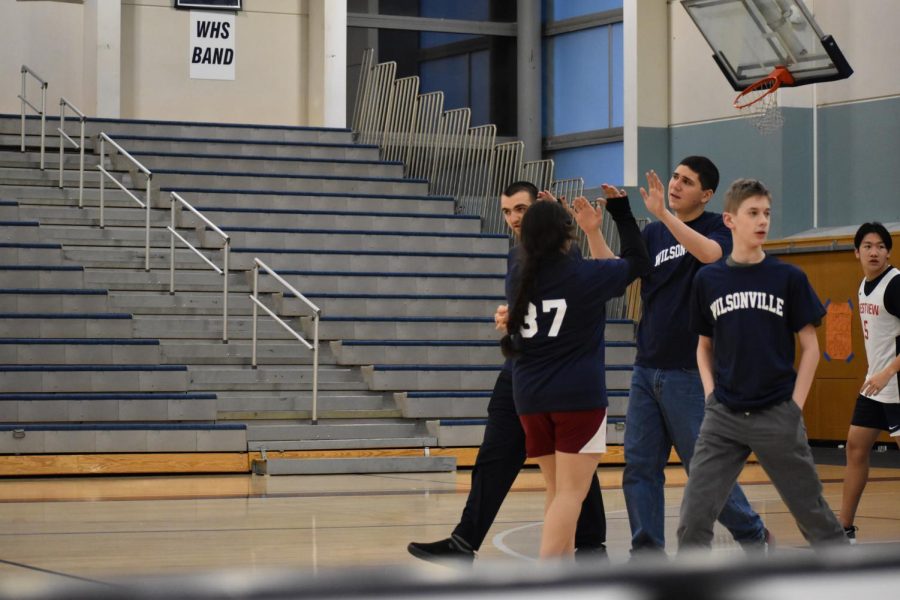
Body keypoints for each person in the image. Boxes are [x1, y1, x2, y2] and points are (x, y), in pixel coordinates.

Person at [407, 182, 608, 564]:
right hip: (520, 369)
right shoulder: (516, 255)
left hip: (557, 375)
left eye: (521, 209)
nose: (514, 218)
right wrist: (509, 315)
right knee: (498, 454)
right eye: (507, 211)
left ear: (540, 211)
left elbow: (577, 302)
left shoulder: (568, 252)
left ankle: (590, 544)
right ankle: (464, 542)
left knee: (572, 468)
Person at [677, 178, 848, 549]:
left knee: (814, 516)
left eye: (766, 213)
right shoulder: (709, 279)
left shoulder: (788, 277)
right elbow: (703, 347)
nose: (762, 221)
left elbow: (810, 347)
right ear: (730, 220)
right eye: (752, 213)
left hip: (776, 412)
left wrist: (795, 407)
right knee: (693, 518)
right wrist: (710, 393)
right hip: (723, 415)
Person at [622, 156, 768, 553]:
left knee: (703, 471)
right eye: (674, 177)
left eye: (686, 182)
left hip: (690, 372)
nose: (675, 185)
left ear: (705, 194)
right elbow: (620, 272)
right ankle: (647, 553)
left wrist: (667, 218)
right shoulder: (653, 234)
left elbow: (711, 256)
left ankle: (752, 533)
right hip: (646, 367)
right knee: (639, 466)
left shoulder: (719, 226)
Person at [502, 193, 649, 558]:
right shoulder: (586, 276)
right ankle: (547, 582)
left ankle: (561, 579)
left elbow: (559, 261)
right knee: (570, 494)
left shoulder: (518, 268)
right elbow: (638, 261)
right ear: (568, 235)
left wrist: (570, 227)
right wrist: (618, 213)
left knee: (556, 491)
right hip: (577, 399)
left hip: (530, 397)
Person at [839, 222, 900, 543]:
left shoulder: (895, 284)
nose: (874, 252)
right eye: (867, 246)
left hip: (895, 385)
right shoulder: (864, 285)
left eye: (880, 246)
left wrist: (888, 372)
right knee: (855, 447)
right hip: (875, 387)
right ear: (856, 252)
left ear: (888, 251)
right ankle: (844, 529)